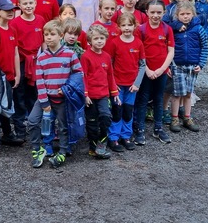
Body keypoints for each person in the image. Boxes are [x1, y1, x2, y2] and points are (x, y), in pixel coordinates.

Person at [27, 20, 83, 168]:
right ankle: (37, 149)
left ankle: (63, 151)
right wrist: (44, 102)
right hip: (45, 98)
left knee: (64, 126)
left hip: (63, 99)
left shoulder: (70, 54)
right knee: (33, 121)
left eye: (52, 34)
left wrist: (67, 88)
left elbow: (78, 73)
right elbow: (39, 80)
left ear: (61, 36)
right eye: (46, 35)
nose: (49, 37)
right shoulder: (41, 58)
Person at [134, 0, 175, 145]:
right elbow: (139, 52)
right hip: (145, 71)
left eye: (159, 12)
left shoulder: (167, 29)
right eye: (152, 12)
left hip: (161, 72)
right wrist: (148, 70)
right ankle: (140, 130)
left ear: (164, 12)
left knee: (159, 100)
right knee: (143, 100)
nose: (156, 15)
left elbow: (171, 51)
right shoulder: (141, 30)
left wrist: (162, 69)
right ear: (147, 13)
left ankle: (158, 128)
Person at [9, 0, 45, 143]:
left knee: (34, 97)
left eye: (31, 3)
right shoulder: (15, 23)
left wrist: (44, 60)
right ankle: (20, 131)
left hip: (36, 62)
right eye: (25, 3)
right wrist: (17, 71)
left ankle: (35, 128)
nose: (28, 6)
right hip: (22, 63)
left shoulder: (40, 20)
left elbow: (43, 41)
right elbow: (14, 48)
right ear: (19, 5)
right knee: (19, 97)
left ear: (35, 4)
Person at [105, 12, 145, 151]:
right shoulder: (114, 43)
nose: (127, 28)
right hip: (118, 86)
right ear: (119, 27)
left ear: (135, 26)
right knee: (117, 110)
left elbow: (142, 65)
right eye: (124, 25)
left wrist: (137, 83)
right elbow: (109, 65)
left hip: (132, 86)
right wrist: (113, 85)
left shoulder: (138, 43)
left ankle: (126, 136)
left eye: (130, 25)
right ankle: (113, 138)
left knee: (128, 111)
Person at [168, 1, 208, 133]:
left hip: (193, 66)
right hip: (177, 65)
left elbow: (204, 47)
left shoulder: (198, 29)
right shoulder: (173, 30)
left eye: (188, 14)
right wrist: (169, 65)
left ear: (193, 14)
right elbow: (167, 48)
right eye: (182, 14)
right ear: (177, 15)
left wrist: (201, 64)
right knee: (177, 93)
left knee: (188, 93)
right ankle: (174, 118)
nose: (185, 16)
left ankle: (187, 117)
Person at [0, 0, 22, 148]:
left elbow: (15, 53)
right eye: (6, 10)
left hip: (9, 74)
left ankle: (8, 134)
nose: (10, 12)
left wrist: (18, 73)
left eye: (12, 9)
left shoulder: (12, 29)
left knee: (6, 104)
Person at [81, 25, 121, 154]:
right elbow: (84, 77)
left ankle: (101, 142)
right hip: (90, 97)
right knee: (92, 123)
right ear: (90, 41)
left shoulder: (107, 57)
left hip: (103, 95)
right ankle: (92, 147)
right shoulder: (86, 56)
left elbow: (110, 76)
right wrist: (85, 94)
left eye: (102, 38)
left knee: (105, 117)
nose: (99, 41)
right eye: (96, 38)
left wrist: (115, 93)